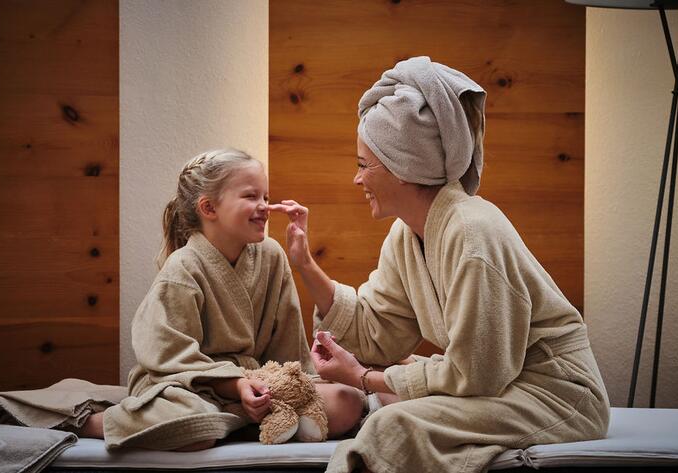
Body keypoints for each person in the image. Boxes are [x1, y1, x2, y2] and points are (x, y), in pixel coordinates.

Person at [270, 57, 610, 473]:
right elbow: (380, 333)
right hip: (498, 385)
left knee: (392, 424)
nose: (356, 180)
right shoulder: (407, 234)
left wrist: (364, 378)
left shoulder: (473, 234)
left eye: (363, 165)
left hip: (554, 394)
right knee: (397, 393)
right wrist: (305, 264)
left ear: (403, 167)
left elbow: (478, 375)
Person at [80, 149, 364, 451]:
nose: (265, 207)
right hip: (190, 385)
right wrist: (235, 384)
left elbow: (287, 346)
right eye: (251, 196)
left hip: (259, 385)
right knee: (195, 424)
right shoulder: (183, 267)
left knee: (347, 401)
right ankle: (95, 423)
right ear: (209, 207)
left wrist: (287, 385)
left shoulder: (271, 256)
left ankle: (238, 419)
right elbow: (168, 356)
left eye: (266, 197)